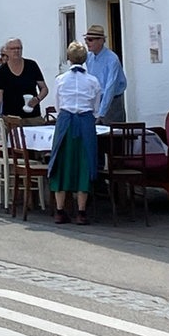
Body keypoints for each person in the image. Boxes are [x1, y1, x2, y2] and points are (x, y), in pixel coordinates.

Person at [49, 41, 104, 225]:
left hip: (66, 122)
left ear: (68, 58)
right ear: (85, 58)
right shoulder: (93, 80)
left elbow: (57, 105)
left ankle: (59, 210)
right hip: (85, 122)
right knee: (84, 163)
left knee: (62, 164)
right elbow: (96, 108)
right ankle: (81, 212)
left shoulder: (60, 79)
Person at [0, 38, 48, 120]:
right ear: (6, 51)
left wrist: (37, 99)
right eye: (12, 49)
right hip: (11, 118)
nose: (16, 51)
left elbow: (44, 88)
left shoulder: (32, 65)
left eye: (18, 48)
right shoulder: (1, 70)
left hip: (33, 116)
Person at [83, 24, 127, 119]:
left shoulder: (112, 59)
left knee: (113, 131)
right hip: (96, 101)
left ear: (101, 41)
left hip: (112, 103)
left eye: (90, 40)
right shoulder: (89, 57)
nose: (87, 42)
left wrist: (101, 113)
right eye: (86, 39)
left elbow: (110, 87)